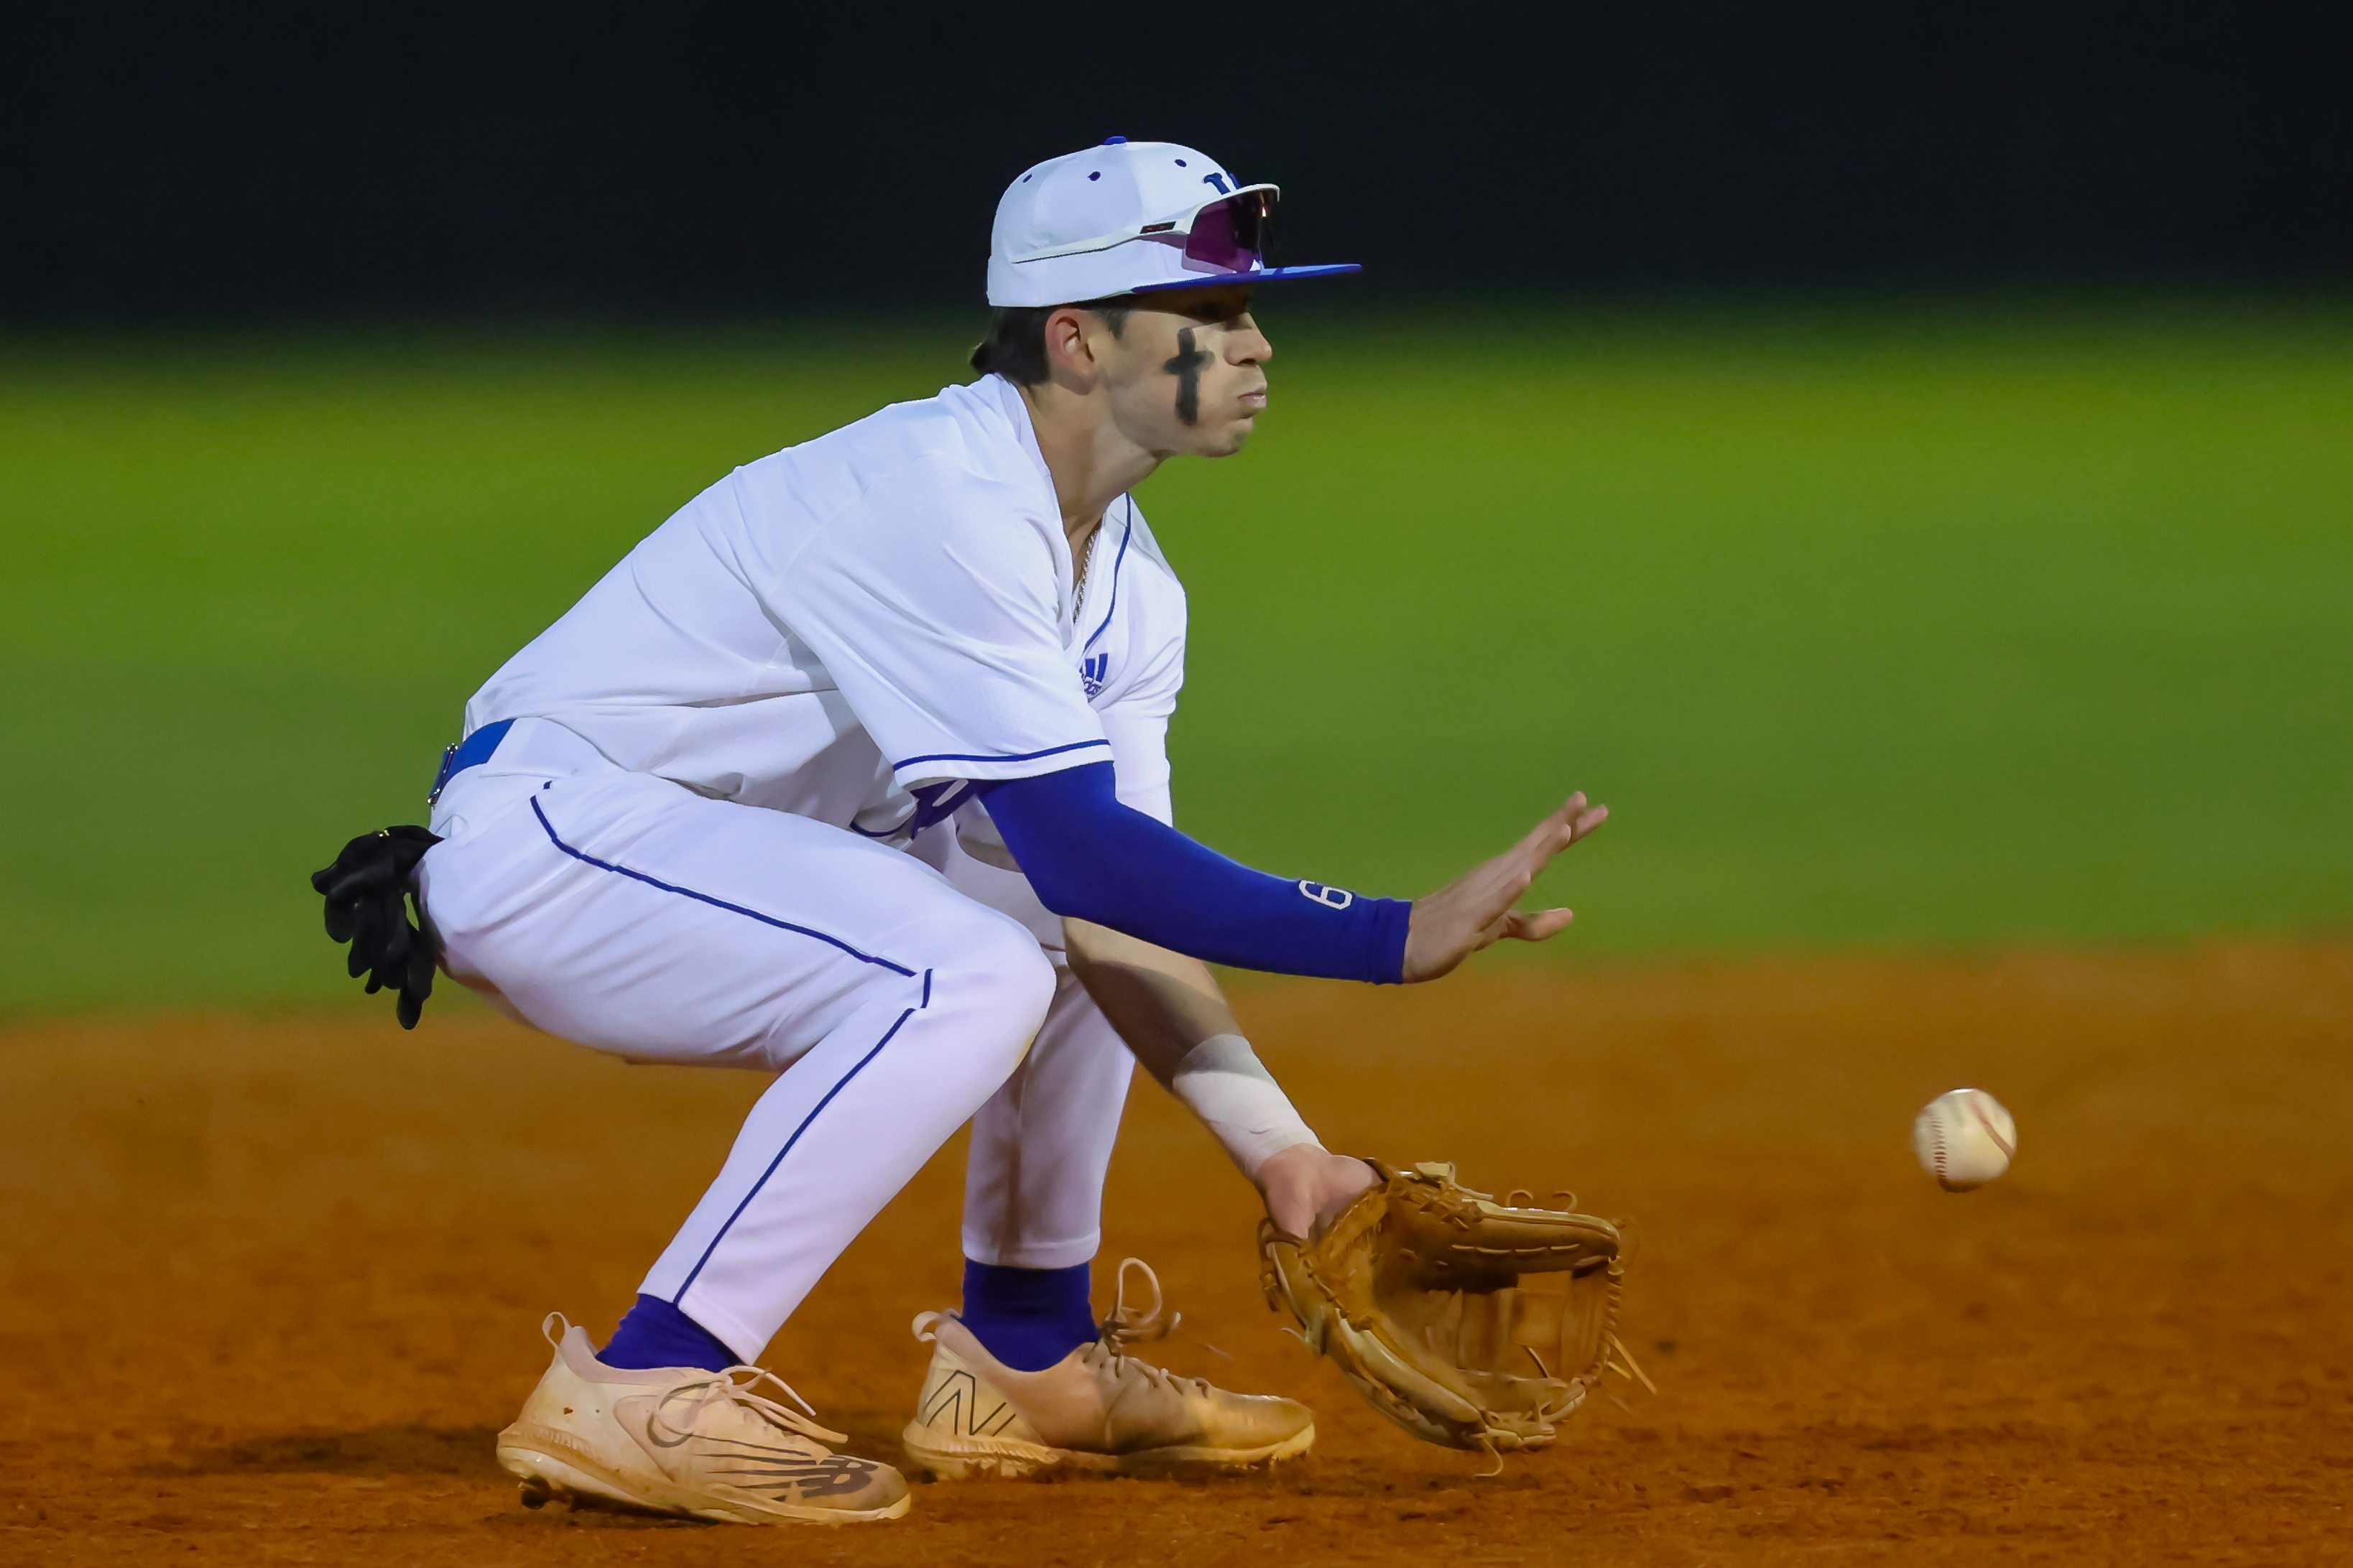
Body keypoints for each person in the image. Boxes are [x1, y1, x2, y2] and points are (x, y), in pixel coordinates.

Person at [403, 137, 1607, 1526]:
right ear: (1079, 341)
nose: (1260, 346)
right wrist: (1392, 936)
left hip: (713, 862)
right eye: (1210, 319)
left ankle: (1024, 1356)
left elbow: (1113, 898)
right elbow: (1096, 854)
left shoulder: (1131, 591)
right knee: (966, 969)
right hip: (558, 843)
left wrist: (1293, 1162)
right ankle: (647, 1386)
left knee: (1043, 917)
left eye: (1252, 313)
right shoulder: (940, 493)